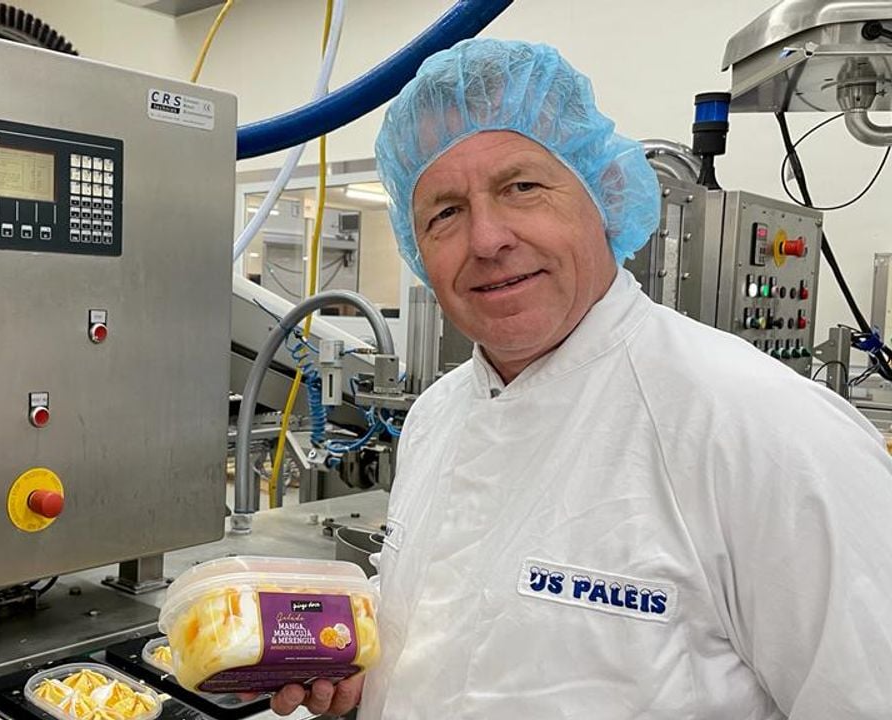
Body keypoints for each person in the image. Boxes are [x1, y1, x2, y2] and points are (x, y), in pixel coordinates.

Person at [269, 38, 892, 719]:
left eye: (522, 187)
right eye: (445, 212)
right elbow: (458, 645)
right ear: (420, 251)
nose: (486, 239)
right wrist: (380, 681)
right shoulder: (438, 415)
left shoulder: (766, 430)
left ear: (604, 194)